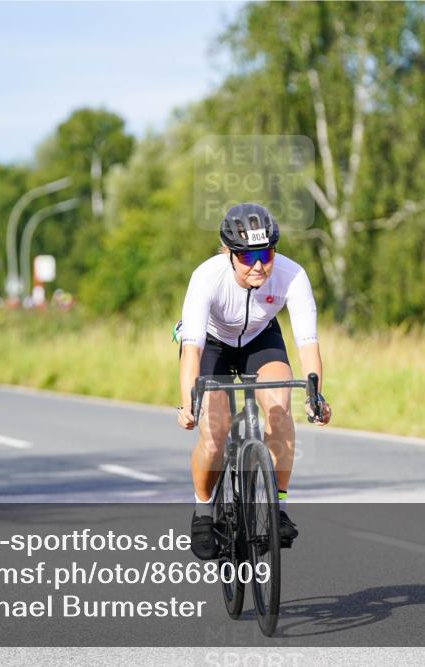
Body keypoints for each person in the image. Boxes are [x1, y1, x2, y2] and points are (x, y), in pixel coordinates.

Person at [176, 203, 332, 560]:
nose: (259, 264)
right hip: (213, 343)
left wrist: (315, 396)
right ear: (228, 254)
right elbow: (192, 351)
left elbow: (308, 344)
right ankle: (202, 513)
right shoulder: (206, 277)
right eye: (247, 257)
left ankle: (276, 507)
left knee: (279, 412)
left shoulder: (292, 275)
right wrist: (188, 402)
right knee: (214, 436)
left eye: (266, 252)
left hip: (261, 339)